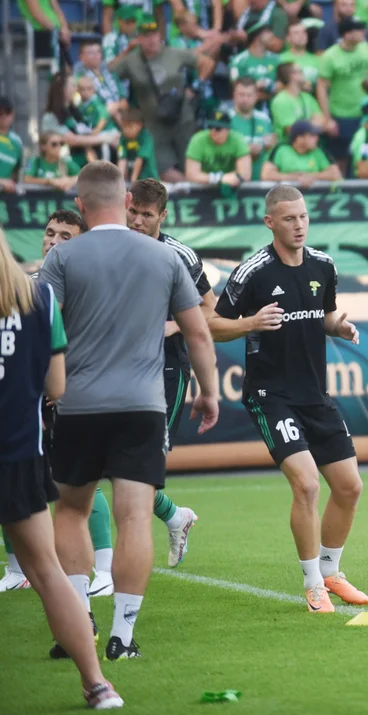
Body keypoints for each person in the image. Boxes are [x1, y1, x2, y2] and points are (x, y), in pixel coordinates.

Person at [38, 161, 220, 660]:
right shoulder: (165, 257)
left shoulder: (62, 258)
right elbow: (199, 331)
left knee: (71, 511)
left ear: (80, 205)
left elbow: (42, 329)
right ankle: (122, 636)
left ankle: (77, 625)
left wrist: (47, 386)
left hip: (78, 404)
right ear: (125, 202)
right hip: (142, 405)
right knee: (135, 516)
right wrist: (209, 392)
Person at [209, 185, 368, 614]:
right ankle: (313, 583)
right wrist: (250, 323)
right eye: (288, 219)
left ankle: (331, 571)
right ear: (270, 222)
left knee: (350, 487)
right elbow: (211, 325)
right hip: (271, 396)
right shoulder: (253, 272)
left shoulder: (323, 265)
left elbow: (324, 316)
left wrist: (339, 327)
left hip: (315, 394)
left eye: (303, 217)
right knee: (307, 483)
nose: (299, 225)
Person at [0, 229, 123, 709]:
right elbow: (56, 387)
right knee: (48, 573)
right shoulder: (41, 298)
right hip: (18, 456)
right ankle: (97, 684)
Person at [126, 179, 218, 567]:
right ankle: (175, 517)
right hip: (116, 367)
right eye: (133, 212)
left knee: (138, 467)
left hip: (164, 369)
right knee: (113, 463)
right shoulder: (111, 244)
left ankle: (113, 569)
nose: (137, 221)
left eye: (147, 215)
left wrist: (175, 324)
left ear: (162, 215)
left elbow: (210, 310)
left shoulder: (179, 254)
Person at [111, 19, 209, 182]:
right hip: (154, 124)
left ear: (159, 36)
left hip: (182, 119)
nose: (151, 40)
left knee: (189, 162)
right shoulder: (132, 61)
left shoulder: (174, 53)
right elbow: (109, 72)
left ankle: (193, 187)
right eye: (146, 36)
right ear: (139, 39)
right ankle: (188, 187)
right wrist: (127, 50)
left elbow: (206, 62)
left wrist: (194, 88)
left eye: (154, 35)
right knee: (162, 168)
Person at [318, 18, 368, 173]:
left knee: (363, 155)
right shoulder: (330, 56)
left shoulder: (365, 48)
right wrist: (327, 118)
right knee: (341, 158)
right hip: (342, 114)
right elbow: (322, 87)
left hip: (365, 113)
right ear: (347, 34)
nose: (363, 33)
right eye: (359, 30)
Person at [185, 110, 253, 188]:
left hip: (232, 189)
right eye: (211, 127)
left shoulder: (238, 140)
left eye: (218, 128)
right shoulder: (198, 140)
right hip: (203, 189)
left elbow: (245, 175)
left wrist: (229, 179)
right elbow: (191, 175)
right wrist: (219, 178)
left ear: (227, 129)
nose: (213, 131)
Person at [262, 121, 343, 183]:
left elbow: (336, 174)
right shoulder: (281, 149)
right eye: (312, 135)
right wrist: (294, 177)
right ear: (299, 138)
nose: (317, 138)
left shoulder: (317, 151)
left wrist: (311, 176)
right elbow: (266, 175)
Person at [230, 77, 277, 181]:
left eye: (249, 95)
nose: (245, 99)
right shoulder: (226, 118)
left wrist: (269, 145)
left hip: (260, 179)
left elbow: (272, 144)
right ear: (234, 95)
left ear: (256, 96)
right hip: (234, 180)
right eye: (241, 94)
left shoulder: (264, 119)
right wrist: (245, 150)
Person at [271, 62, 325, 139]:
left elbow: (322, 121)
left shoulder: (307, 97)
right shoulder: (280, 101)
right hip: (287, 145)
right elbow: (292, 130)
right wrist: (312, 122)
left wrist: (304, 126)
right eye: (301, 71)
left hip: (311, 143)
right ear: (292, 76)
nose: (304, 74)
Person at [229, 25, 282, 102]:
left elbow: (284, 87)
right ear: (257, 35)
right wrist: (270, 93)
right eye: (267, 32)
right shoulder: (238, 62)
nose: (272, 35)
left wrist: (266, 85)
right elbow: (238, 92)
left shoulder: (277, 59)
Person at [116, 109, 158, 182]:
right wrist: (120, 180)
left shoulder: (146, 137)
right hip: (129, 178)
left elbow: (140, 159)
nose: (126, 130)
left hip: (148, 178)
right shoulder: (123, 139)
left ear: (139, 125)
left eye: (129, 126)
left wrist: (133, 180)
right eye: (123, 127)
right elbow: (122, 159)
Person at [279, 19, 321, 88]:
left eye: (304, 32)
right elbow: (277, 86)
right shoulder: (280, 59)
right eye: (296, 33)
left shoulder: (317, 60)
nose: (301, 35)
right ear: (288, 38)